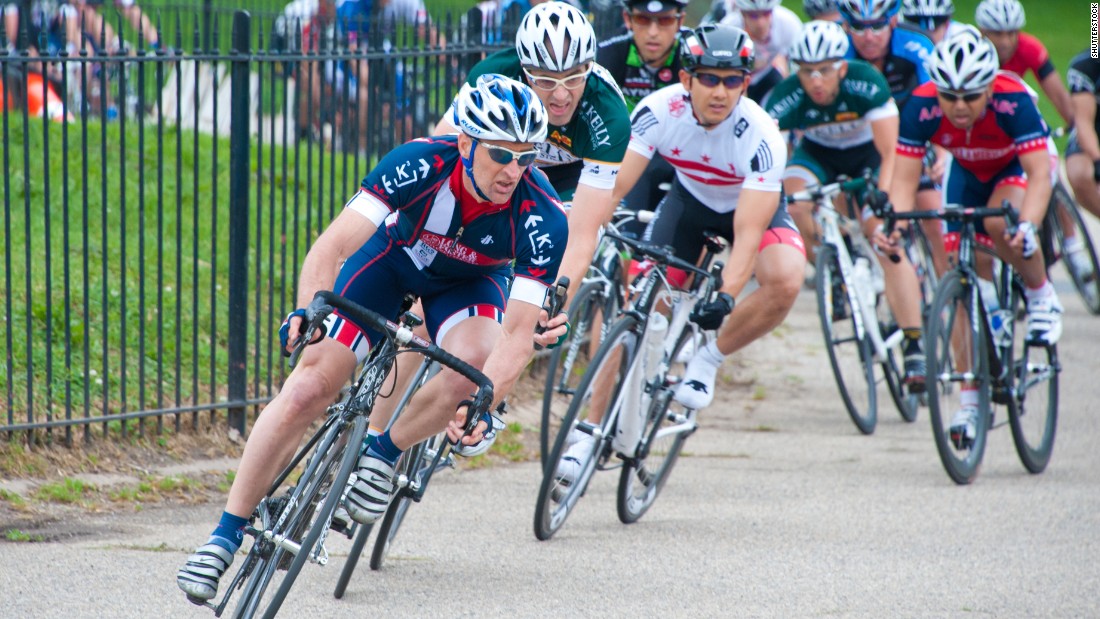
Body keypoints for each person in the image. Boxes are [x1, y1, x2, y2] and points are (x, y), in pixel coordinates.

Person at [176, 74, 569, 602]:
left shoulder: (542, 214)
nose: (514, 170)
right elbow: (334, 245)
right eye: (501, 154)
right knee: (309, 386)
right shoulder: (420, 162)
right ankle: (224, 535)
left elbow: (518, 338)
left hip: (471, 283)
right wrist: (308, 306)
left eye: (527, 156)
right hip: (392, 261)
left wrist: (482, 403)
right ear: (466, 142)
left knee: (472, 366)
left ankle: (383, 453)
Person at [552, 24, 806, 480]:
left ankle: (706, 359)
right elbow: (614, 190)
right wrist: (584, 242)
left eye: (732, 80)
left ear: (745, 84)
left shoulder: (762, 135)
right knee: (639, 305)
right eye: (709, 77)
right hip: (688, 205)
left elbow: (747, 235)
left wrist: (727, 295)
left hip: (748, 208)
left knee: (787, 277)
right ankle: (590, 430)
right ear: (686, 79)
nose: (720, 91)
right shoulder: (657, 111)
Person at [888, 32, 1062, 448]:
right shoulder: (921, 107)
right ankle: (969, 399)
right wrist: (892, 224)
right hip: (966, 175)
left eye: (970, 96)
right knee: (957, 275)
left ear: (989, 87)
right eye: (950, 96)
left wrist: (1027, 224)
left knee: (1001, 226)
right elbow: (903, 181)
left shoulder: (1013, 101)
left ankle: (1040, 295)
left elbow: (1039, 175)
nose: (960, 106)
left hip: (1017, 168)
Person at [435, 1, 630, 302]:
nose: (561, 95)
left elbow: (581, 235)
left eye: (575, 76)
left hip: (569, 177)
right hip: (508, 162)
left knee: (553, 250)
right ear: (525, 72)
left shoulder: (609, 113)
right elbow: (440, 151)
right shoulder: (494, 75)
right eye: (546, 80)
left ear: (589, 67)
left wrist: (555, 298)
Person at [767, 20, 925, 390]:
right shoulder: (785, 97)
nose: (815, 81)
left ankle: (914, 345)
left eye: (824, 70)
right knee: (796, 205)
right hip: (818, 157)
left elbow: (890, 153)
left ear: (841, 66)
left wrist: (881, 198)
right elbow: (772, 161)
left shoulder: (865, 82)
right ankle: (835, 265)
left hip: (869, 158)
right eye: (806, 72)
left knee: (886, 241)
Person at [597, 0, 687, 230]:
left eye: (665, 20)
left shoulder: (694, 53)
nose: (653, 32)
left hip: (682, 152)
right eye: (643, 20)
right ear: (627, 19)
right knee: (628, 228)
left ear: (680, 21)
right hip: (630, 150)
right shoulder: (608, 51)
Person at [974, 0, 1073, 129]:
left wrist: (1078, 126)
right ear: (982, 32)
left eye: (1011, 33)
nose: (1005, 42)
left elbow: (1059, 97)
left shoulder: (1029, 48)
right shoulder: (970, 52)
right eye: (997, 34)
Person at [714, 0, 802, 106]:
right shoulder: (728, 29)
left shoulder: (789, 24)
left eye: (766, 14)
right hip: (737, 76)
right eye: (753, 16)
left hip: (767, 74)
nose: (761, 23)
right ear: (742, 14)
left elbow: (797, 69)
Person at [1063, 49, 1100, 280]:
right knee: (1079, 173)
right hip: (1093, 134)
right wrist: (1096, 161)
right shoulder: (1086, 66)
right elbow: (1083, 124)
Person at [899, 0, 966, 45]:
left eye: (934, 30)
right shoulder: (895, 34)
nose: (926, 36)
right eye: (919, 30)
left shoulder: (962, 38)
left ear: (947, 24)